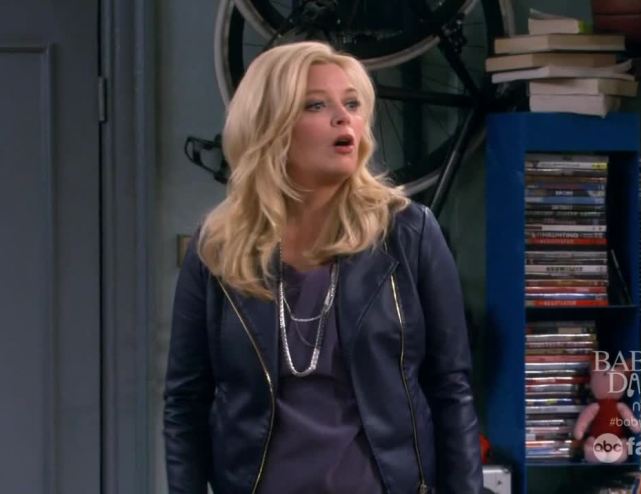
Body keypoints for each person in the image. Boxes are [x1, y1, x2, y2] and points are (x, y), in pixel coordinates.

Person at [163, 41, 482, 494]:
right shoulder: (217, 248)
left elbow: (451, 390)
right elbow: (185, 403)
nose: (343, 118)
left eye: (352, 104)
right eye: (316, 105)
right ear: (270, 126)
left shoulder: (410, 234)